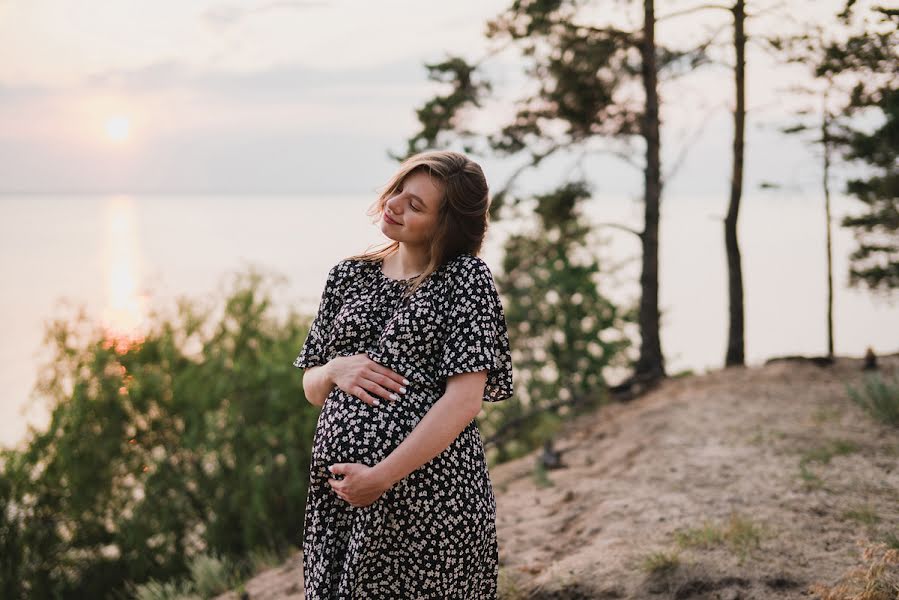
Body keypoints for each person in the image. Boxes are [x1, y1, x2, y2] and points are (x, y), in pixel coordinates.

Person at [293, 149, 514, 599]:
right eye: (398, 192)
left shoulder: (464, 281)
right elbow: (311, 386)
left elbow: (464, 401)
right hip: (341, 499)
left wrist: (383, 476)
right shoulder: (348, 276)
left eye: (415, 205)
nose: (394, 205)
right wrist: (335, 369)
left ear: (445, 224)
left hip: (428, 499)